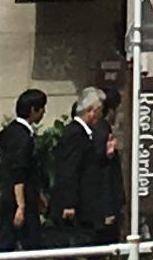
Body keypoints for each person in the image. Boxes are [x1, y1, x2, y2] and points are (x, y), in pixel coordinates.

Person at [42, 85, 107, 242]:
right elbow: (68, 169)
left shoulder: (83, 133)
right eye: (100, 111)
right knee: (76, 243)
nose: (101, 116)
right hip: (77, 205)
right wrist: (69, 203)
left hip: (85, 203)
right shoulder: (75, 134)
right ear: (91, 110)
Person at [0, 86, 47, 256]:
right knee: (30, 246)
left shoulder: (10, 133)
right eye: (42, 108)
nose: (43, 113)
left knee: (10, 245)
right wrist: (21, 206)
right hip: (21, 200)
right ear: (33, 110)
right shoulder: (23, 139)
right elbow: (19, 173)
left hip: (10, 197)